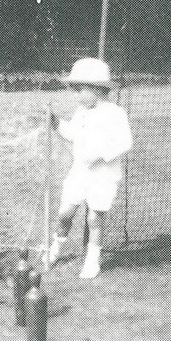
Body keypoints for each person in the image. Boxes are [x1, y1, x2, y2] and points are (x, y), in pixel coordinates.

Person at [45, 58, 132, 278]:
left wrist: (100, 154)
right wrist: (56, 123)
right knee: (65, 213)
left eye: (79, 90)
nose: (75, 95)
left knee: (94, 218)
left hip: (103, 175)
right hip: (80, 172)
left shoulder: (114, 113)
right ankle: (55, 249)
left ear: (96, 89)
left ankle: (92, 261)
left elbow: (124, 142)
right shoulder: (81, 112)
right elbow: (73, 134)